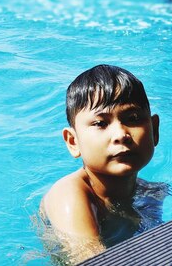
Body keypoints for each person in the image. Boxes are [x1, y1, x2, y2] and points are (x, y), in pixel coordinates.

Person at [39, 65, 164, 264]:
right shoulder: (69, 196)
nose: (121, 134)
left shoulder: (151, 192)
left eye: (132, 118)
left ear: (154, 131)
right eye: (100, 123)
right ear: (73, 142)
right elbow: (89, 261)